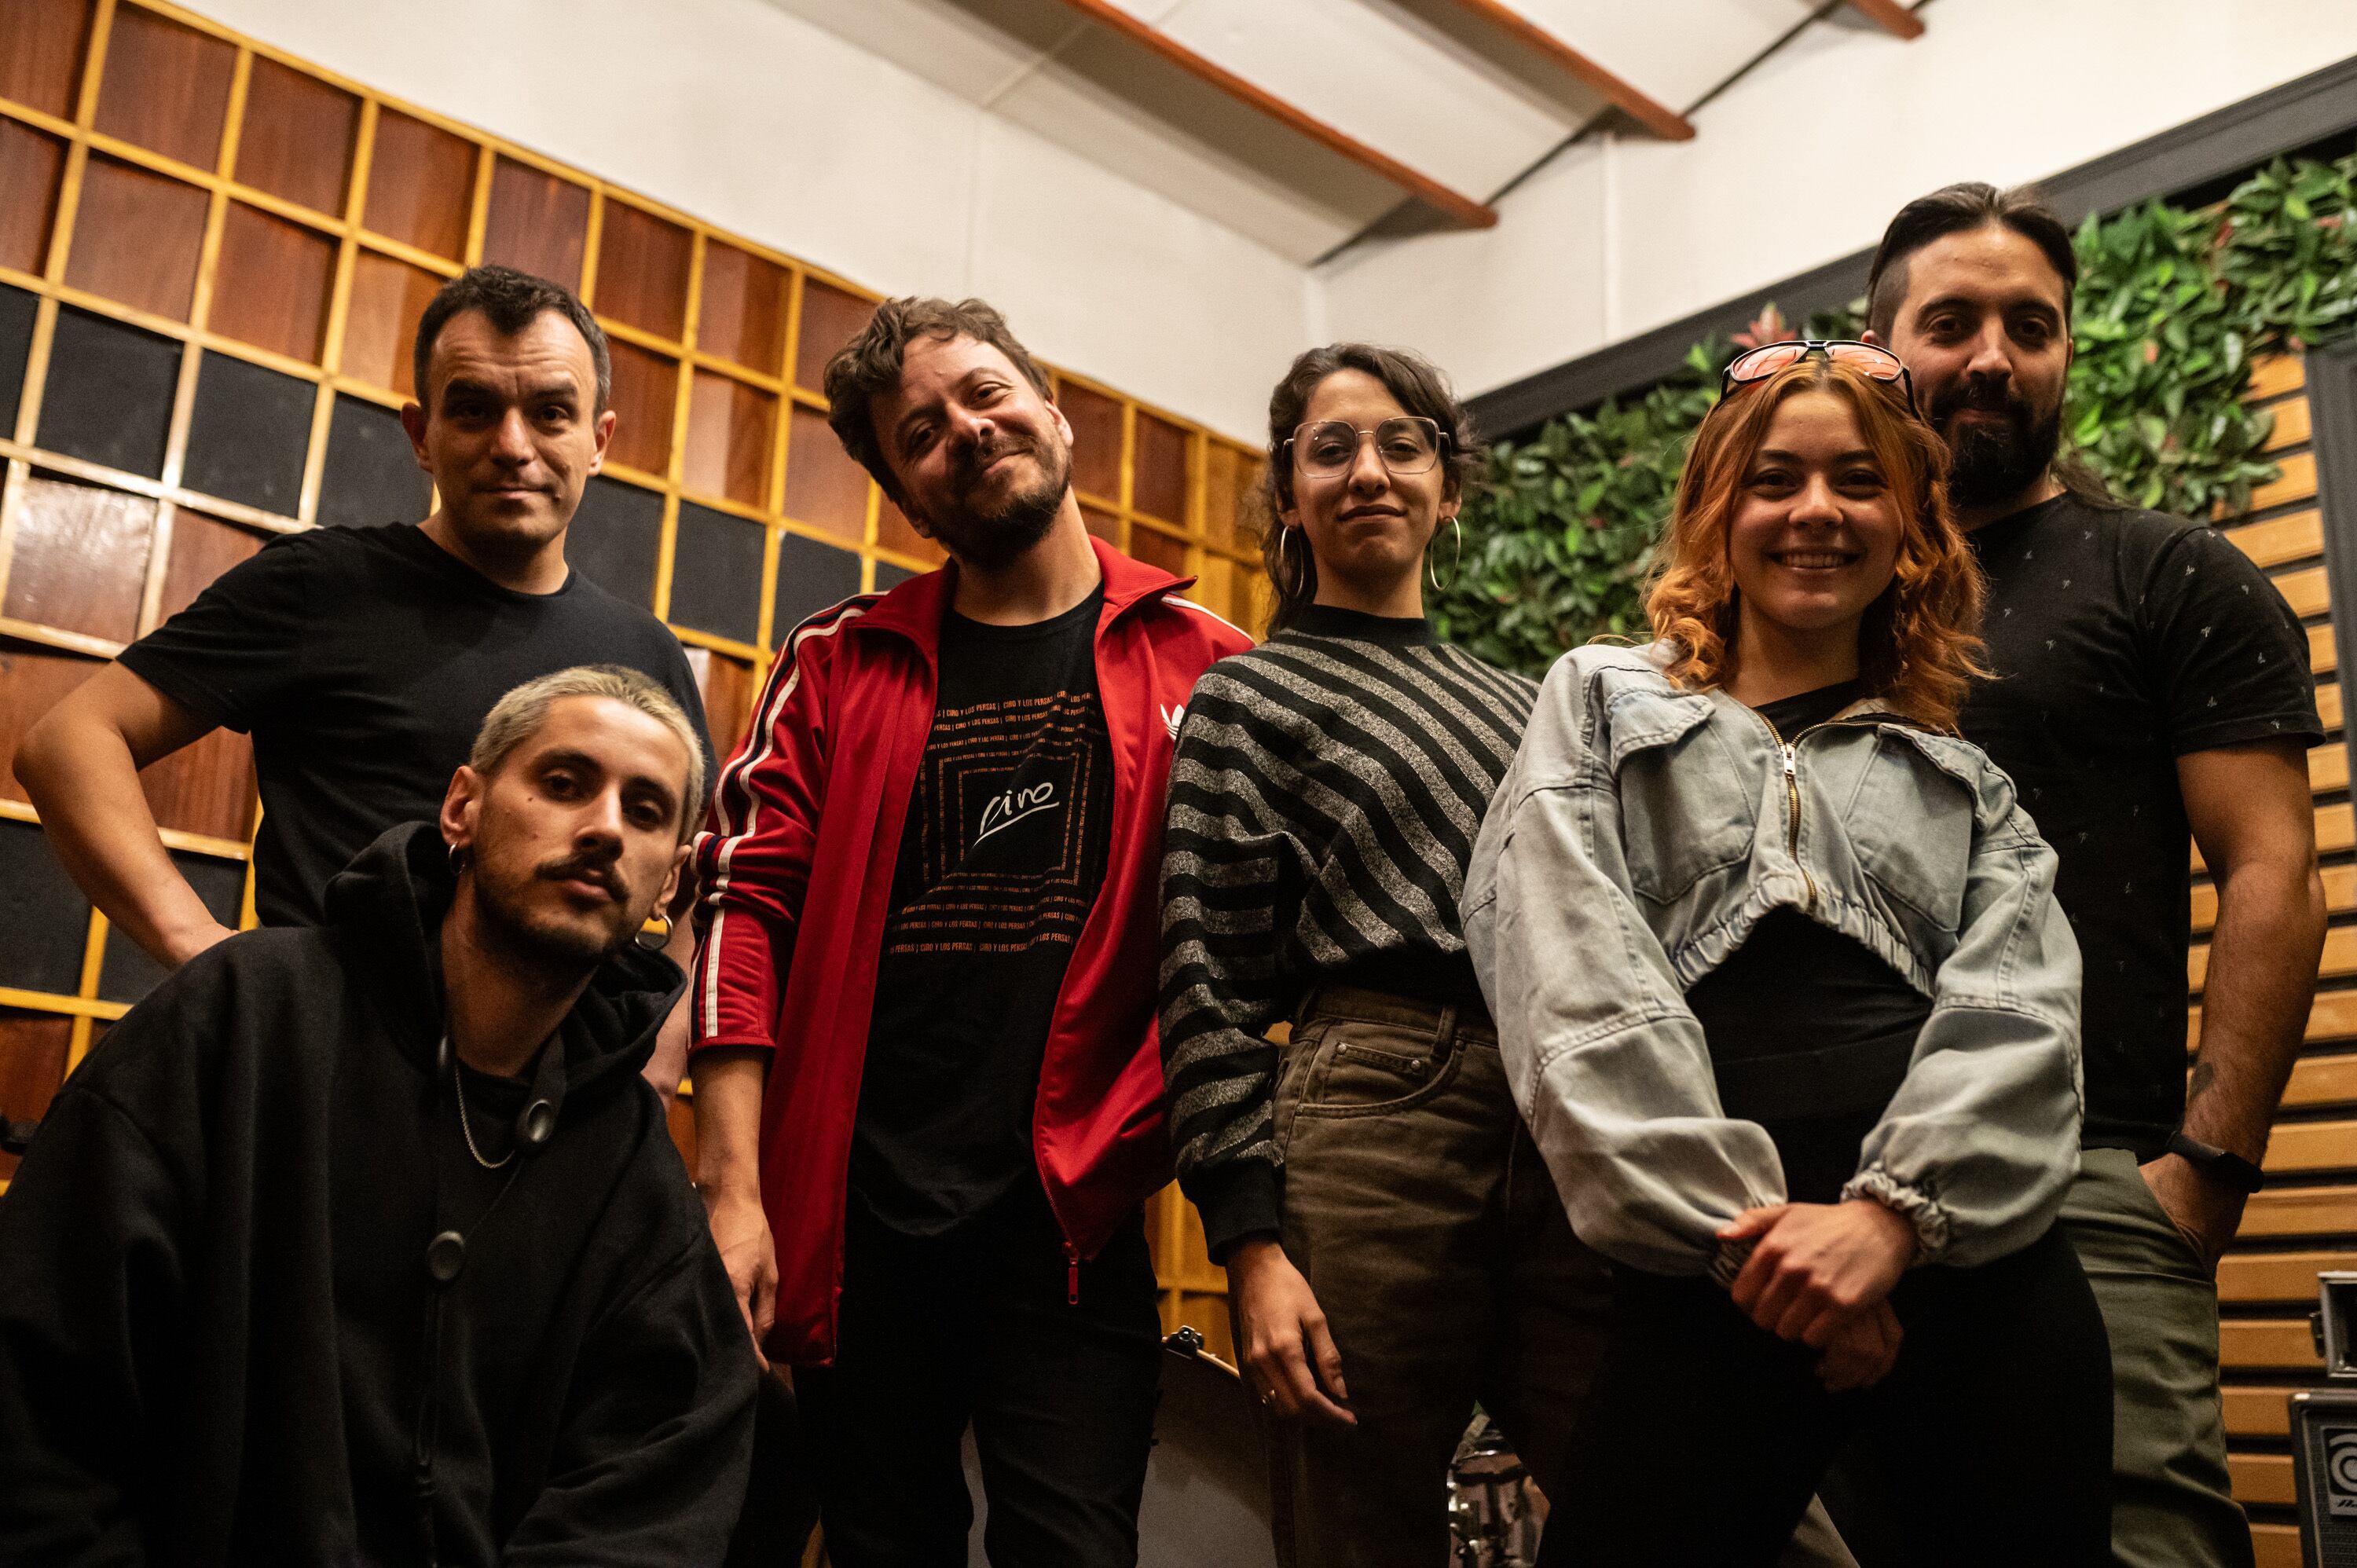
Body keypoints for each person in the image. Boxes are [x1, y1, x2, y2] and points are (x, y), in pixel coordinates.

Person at [1159, 343, 1853, 1568]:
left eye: (1401, 445)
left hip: (1576, 1093)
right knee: (1357, 1527)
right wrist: (1250, 1246)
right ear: (1288, 494)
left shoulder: (1541, 701)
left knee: (1707, 1488)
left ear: (1450, 488)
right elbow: (1203, 980)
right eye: (1331, 450)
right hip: (1371, 1103)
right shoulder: (1246, 698)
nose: (1368, 471)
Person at [1465, 344, 2113, 1566]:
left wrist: (1888, 1230)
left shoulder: (1971, 786)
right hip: (1714, 1275)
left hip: (1975, 1279)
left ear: (1912, 528)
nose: (1817, 511)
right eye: (1775, 479)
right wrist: (1760, 1251)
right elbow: (1568, 978)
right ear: (1719, 512)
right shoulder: (1598, 701)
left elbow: (2024, 1021)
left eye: (1858, 482)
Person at [687, 296, 1252, 1566]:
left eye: (986, 394)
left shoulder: (1212, 666)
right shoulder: (835, 661)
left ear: (1052, 411)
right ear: (909, 498)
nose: (967, 430)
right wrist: (735, 1196)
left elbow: (1256, 945)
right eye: (923, 431)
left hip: (1068, 1231)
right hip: (857, 1228)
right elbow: (743, 903)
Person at [0, 665, 757, 1566]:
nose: (601, 828)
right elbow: (39, 1394)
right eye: (563, 783)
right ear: (462, 810)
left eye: (643, 811)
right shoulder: (246, 1015)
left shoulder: (631, 1162)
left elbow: (653, 1493)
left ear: (670, 881)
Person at [1860, 182, 2326, 1568]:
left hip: (2095, 1179)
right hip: (1836, 1195)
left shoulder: (2167, 573)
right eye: (1951, 324)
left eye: (2031, 325)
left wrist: (2206, 1172)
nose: (1994, 356)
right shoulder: (1828, 598)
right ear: (1879, 348)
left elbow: (2275, 874)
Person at [14, 264, 711, 1097]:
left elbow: (693, 876)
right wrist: (202, 949)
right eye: (474, 408)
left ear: (598, 440)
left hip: (539, 1115)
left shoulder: (647, 657)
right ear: (421, 433)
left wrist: (664, 1047)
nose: (513, 443)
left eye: (550, 412)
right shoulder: (323, 585)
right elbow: (68, 741)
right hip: (314, 1080)